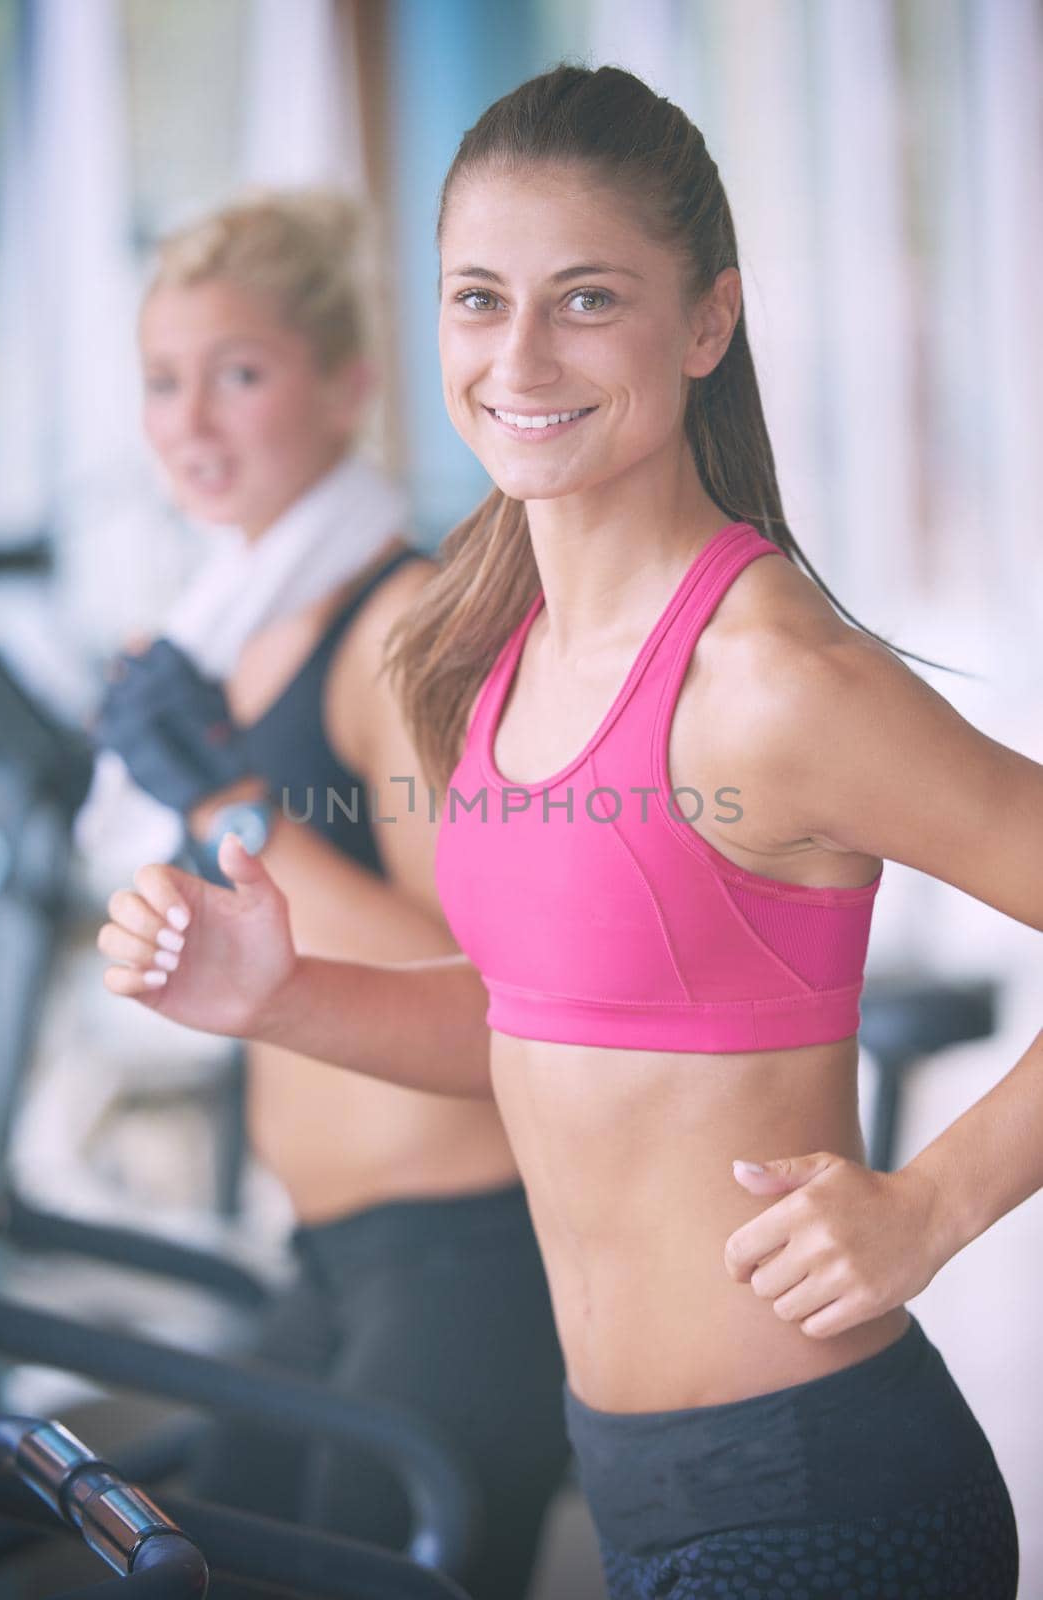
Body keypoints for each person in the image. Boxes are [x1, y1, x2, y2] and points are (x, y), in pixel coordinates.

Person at [97, 69, 1036, 1599]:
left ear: (707, 324)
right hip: (634, 1493)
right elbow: (536, 1031)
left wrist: (932, 1206)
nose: (518, 356)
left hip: (815, 1499)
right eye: (479, 299)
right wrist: (273, 998)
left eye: (586, 298)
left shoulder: (771, 677)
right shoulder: (489, 646)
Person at [93, 190, 568, 1600]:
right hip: (333, 1258)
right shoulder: (227, 627)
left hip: (465, 1255)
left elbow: (495, 990)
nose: (194, 423)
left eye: (240, 374)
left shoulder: (402, 625)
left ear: (351, 385)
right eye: (163, 383)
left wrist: (226, 805)